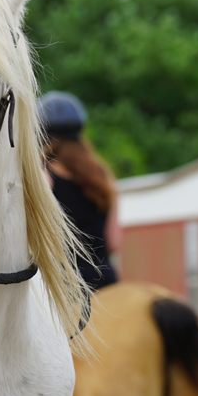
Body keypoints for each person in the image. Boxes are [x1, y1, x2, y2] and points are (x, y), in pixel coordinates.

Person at [39, 91, 121, 290]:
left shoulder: (43, 175)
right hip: (106, 283)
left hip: (65, 285)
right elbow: (114, 242)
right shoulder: (102, 176)